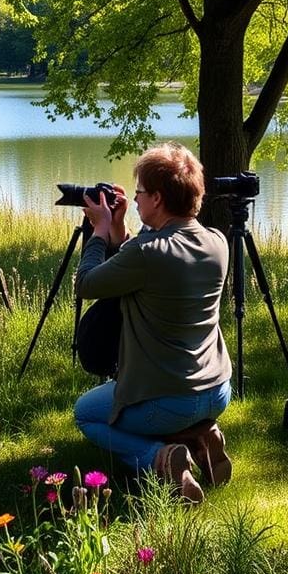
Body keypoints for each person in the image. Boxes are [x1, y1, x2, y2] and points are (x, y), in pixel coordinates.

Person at [73, 142, 232, 504]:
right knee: (182, 410)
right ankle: (200, 438)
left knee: (85, 415)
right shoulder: (216, 242)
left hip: (169, 400)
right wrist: (119, 226)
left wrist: (99, 231)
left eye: (140, 192)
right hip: (217, 390)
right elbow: (152, 262)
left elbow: (87, 284)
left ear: (158, 199)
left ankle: (160, 458)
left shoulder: (146, 255)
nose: (136, 198)